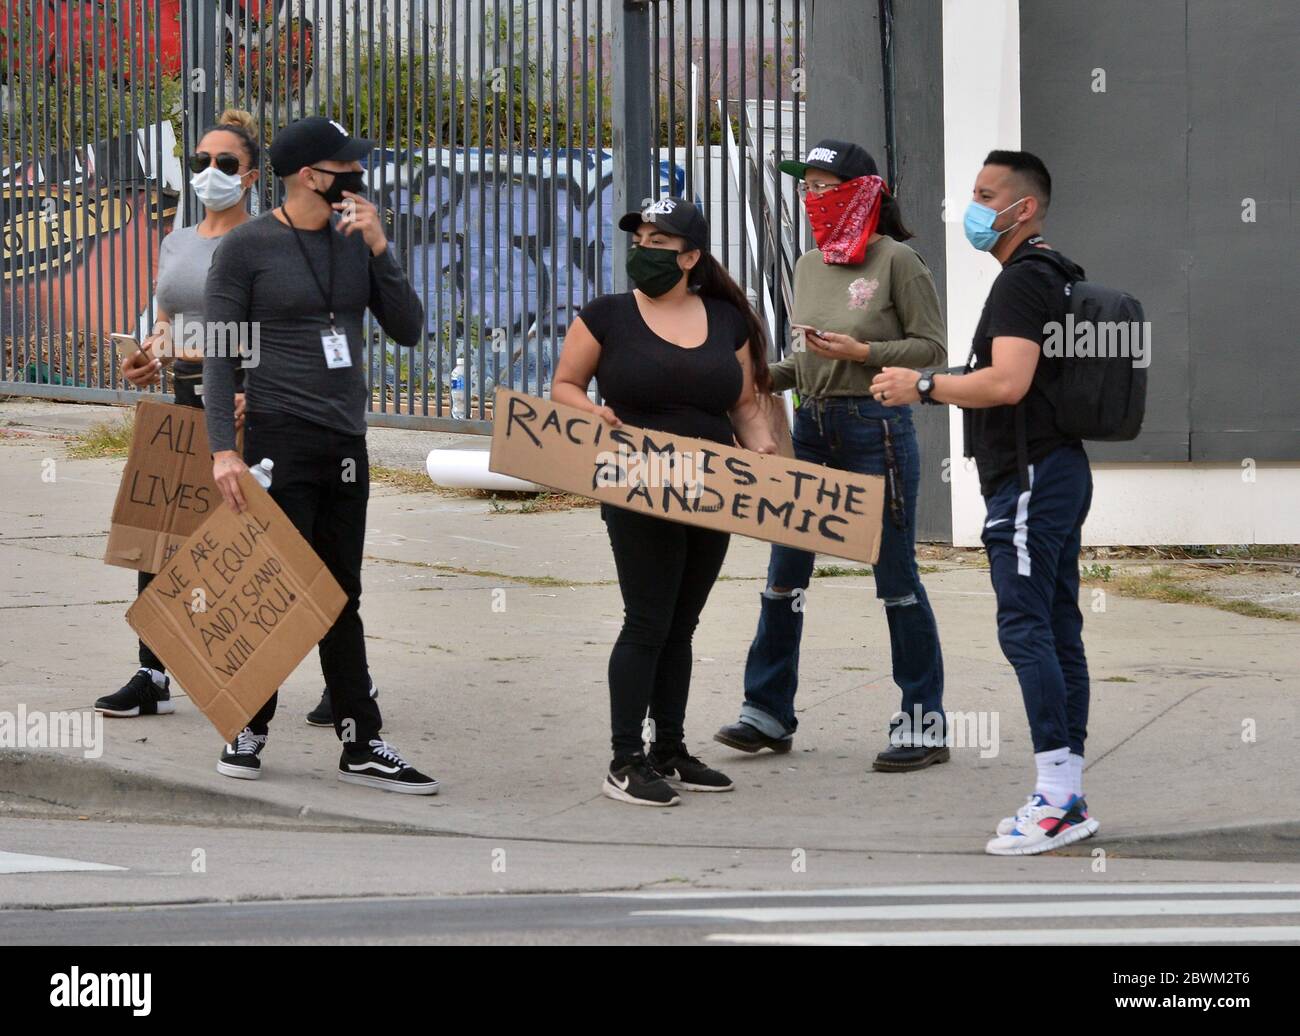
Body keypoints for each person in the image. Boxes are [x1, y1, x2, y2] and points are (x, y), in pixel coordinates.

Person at [870, 149, 1099, 854]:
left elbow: (1006, 383)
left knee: (1027, 629)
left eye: (985, 194)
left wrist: (923, 385)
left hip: (1029, 478)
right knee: (1055, 627)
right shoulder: (1052, 273)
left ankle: (1057, 799)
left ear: (1022, 208)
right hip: (1052, 472)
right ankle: (1065, 794)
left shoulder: (1023, 281)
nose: (973, 207)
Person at [203, 116, 436, 794]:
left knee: (339, 592)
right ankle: (248, 724)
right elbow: (219, 355)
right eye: (347, 166)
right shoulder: (247, 248)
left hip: (345, 439)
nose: (359, 175)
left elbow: (409, 328)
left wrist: (381, 248)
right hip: (277, 436)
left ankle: (360, 739)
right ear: (310, 175)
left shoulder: (356, 238)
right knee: (275, 586)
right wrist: (223, 451)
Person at [713, 139, 949, 772]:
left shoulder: (898, 261)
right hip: (811, 429)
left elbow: (932, 350)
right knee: (783, 576)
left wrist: (864, 354)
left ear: (863, 194)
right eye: (806, 187)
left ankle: (923, 724)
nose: (811, 198)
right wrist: (760, 377)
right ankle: (767, 712)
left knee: (896, 580)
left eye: (824, 187)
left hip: (876, 430)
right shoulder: (809, 263)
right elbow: (807, 360)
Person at [552, 197, 779, 807]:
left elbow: (744, 405)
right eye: (639, 241)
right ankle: (625, 760)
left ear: (690, 257)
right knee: (647, 619)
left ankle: (669, 749)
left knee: (682, 623)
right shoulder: (606, 316)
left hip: (712, 488)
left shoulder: (726, 320)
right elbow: (565, 384)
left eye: (658, 242)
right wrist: (590, 412)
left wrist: (762, 451)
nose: (644, 251)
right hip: (637, 480)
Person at [95, 108, 255, 718]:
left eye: (225, 162)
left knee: (260, 544)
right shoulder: (176, 241)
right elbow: (168, 321)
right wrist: (148, 356)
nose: (210, 171)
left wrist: (250, 388)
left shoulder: (264, 240)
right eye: (200, 160)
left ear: (251, 175)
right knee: (160, 534)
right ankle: (152, 674)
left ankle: (339, 679)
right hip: (184, 401)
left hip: (244, 401)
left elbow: (277, 329)